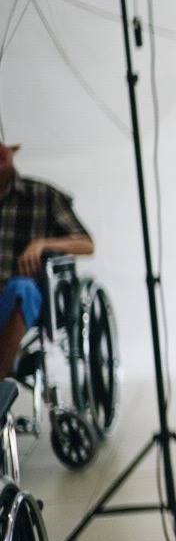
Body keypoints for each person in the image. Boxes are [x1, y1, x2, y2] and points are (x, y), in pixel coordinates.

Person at [0, 143, 94, 374]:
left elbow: (86, 244)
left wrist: (43, 243)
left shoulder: (41, 194)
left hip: (28, 296)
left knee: (22, 289)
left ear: (11, 152)